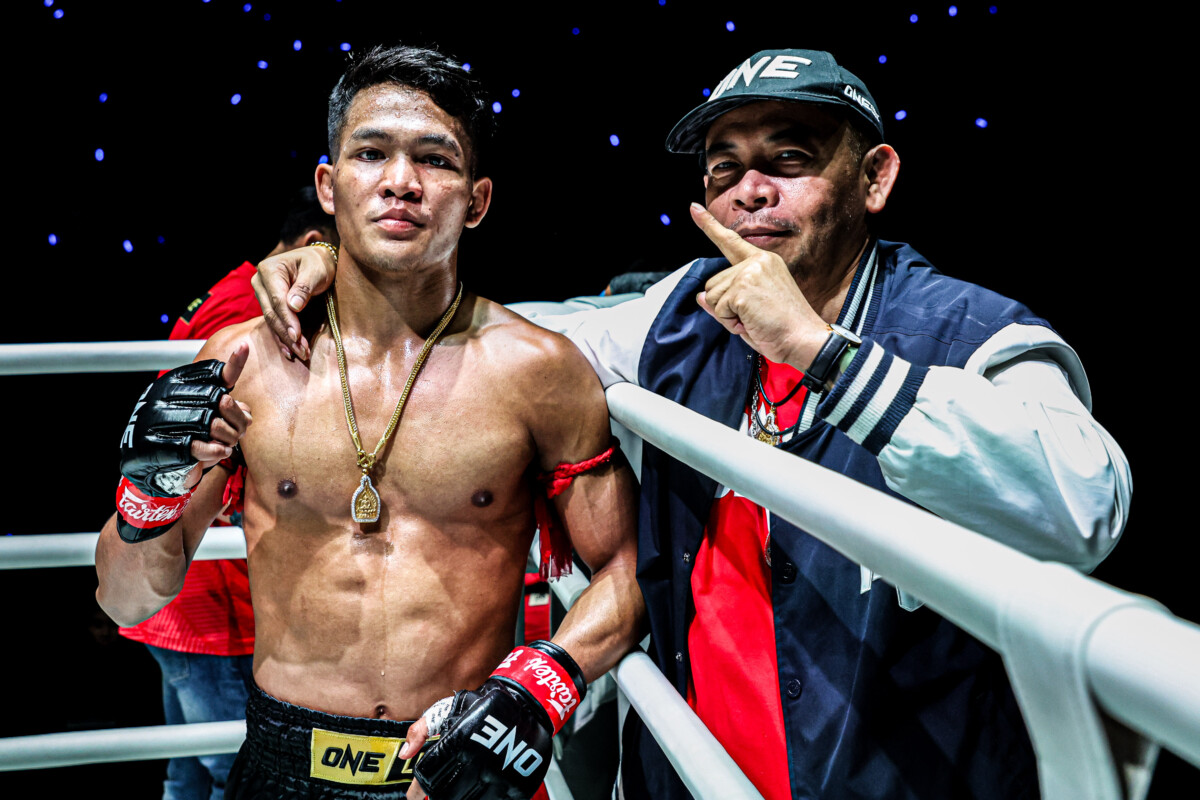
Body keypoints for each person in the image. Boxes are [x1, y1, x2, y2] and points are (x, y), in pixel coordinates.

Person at [252, 49, 1131, 799]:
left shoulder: (974, 333)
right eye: (725, 168)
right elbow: (502, 343)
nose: (751, 191)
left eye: (789, 159)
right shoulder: (681, 313)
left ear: (874, 178)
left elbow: (1088, 505)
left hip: (901, 774)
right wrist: (348, 267)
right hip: (697, 768)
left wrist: (818, 351)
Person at [96, 44, 643, 800]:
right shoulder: (243, 362)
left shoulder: (539, 371)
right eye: (371, 153)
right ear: (329, 185)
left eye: (436, 160)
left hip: (458, 763)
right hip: (282, 761)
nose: (401, 181)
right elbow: (126, 599)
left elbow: (627, 573)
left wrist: (531, 691)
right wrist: (148, 495)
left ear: (477, 200)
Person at [115, 187, 336, 800]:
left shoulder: (228, 289)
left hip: (183, 597)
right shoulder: (249, 316)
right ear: (315, 247)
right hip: (208, 596)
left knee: (186, 775)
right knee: (228, 775)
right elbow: (216, 443)